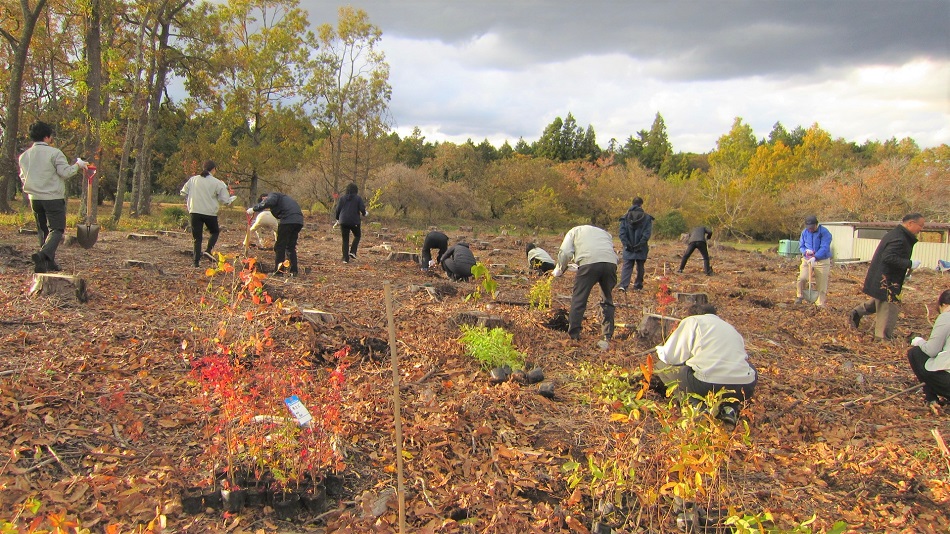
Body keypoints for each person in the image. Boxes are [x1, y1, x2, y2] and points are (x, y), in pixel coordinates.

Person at [653, 303, 757, 426]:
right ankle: (729, 409)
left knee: (661, 366)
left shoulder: (693, 321)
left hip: (708, 384)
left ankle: (696, 408)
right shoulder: (729, 327)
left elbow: (670, 356)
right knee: (747, 368)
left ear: (692, 314)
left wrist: (659, 349)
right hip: (745, 386)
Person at [18, 121, 88, 273]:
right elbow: (65, 173)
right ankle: (43, 255)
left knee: (43, 231)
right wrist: (78, 165)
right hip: (52, 197)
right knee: (56, 229)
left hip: (34, 197)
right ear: (47, 137)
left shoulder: (24, 156)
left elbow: (23, 177)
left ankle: (47, 263)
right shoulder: (54, 153)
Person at [849, 213, 926, 339]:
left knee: (879, 301)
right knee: (889, 310)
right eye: (920, 226)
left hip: (885, 278)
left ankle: (857, 312)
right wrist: (909, 264)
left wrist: (904, 274)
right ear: (910, 223)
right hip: (887, 281)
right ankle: (882, 340)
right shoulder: (899, 238)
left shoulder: (897, 234)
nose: (921, 229)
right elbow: (889, 258)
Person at [552, 225, 618, 342]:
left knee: (579, 298)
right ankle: (607, 334)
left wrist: (559, 269)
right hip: (610, 263)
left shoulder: (574, 231)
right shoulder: (604, 233)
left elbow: (565, 252)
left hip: (589, 263)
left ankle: (574, 334)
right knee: (607, 299)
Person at [181, 160, 236, 268]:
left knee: (197, 238)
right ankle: (208, 249)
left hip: (195, 211)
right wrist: (231, 198)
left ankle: (195, 262)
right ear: (213, 169)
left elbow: (183, 192)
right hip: (209, 212)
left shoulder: (193, 180)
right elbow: (225, 200)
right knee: (214, 231)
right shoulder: (217, 182)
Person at [907, 290, 950, 414]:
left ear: (944, 305)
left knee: (915, 353)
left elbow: (931, 350)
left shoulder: (946, 316)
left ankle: (931, 398)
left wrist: (919, 341)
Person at [248, 192, 304, 276]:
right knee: (290, 247)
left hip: (288, 221)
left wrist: (254, 209)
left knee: (279, 246)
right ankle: (294, 271)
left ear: (264, 198)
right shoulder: (283, 198)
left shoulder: (273, 195)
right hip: (298, 221)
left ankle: (279, 272)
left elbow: (269, 202)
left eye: (264, 201)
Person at [795, 215, 833, 307]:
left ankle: (820, 304)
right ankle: (800, 296)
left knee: (821, 283)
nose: (810, 230)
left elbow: (824, 247)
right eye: (808, 228)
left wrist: (815, 257)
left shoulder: (825, 233)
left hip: (822, 260)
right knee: (802, 278)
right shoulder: (805, 232)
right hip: (807, 260)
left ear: (816, 224)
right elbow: (801, 245)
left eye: (812, 228)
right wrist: (805, 251)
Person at [618, 197, 653, 291]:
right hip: (641, 247)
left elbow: (622, 233)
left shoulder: (625, 217)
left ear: (632, 203)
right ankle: (638, 285)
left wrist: (627, 244)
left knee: (627, 266)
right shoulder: (646, 217)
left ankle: (623, 285)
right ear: (641, 204)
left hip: (628, 247)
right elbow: (647, 234)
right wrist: (640, 244)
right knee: (640, 266)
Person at [334, 183, 367, 263]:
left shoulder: (342, 198)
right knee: (357, 235)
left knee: (345, 240)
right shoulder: (358, 198)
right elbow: (362, 208)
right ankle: (352, 251)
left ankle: (345, 258)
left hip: (343, 221)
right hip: (354, 221)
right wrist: (364, 213)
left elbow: (338, 210)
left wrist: (338, 219)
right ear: (356, 190)